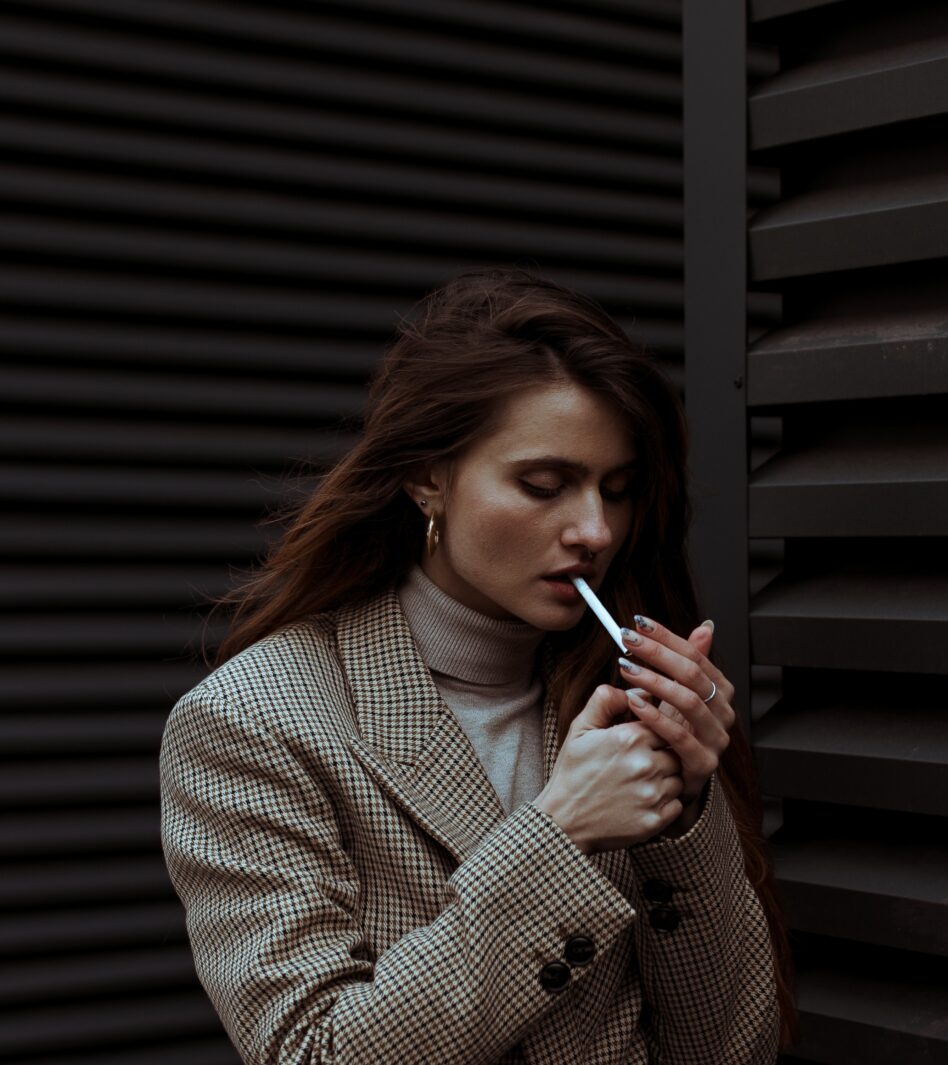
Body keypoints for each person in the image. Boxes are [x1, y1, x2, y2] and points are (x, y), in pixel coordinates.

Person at [160, 267, 796, 1064]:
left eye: (618, 489)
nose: (595, 529)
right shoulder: (255, 720)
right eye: (544, 484)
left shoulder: (620, 692)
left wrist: (689, 812)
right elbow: (312, 1052)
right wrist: (559, 834)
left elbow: (732, 1049)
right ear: (429, 478)